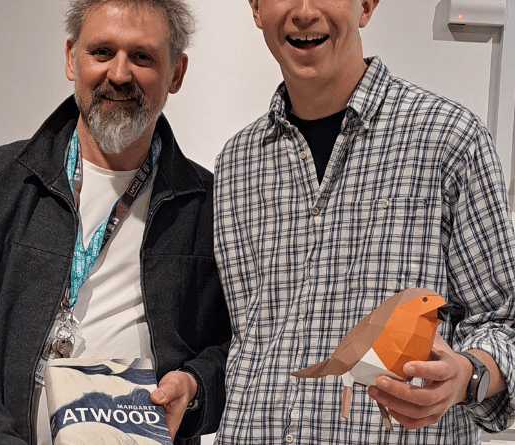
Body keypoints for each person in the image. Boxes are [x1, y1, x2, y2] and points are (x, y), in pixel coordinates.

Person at [0, 1, 231, 444]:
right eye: (102, 52)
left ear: (176, 73)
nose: (119, 74)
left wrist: (195, 389)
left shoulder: (213, 208)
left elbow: (245, 348)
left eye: (142, 57)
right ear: (70, 58)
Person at [213, 0, 515, 444]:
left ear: (367, 5)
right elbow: (241, 340)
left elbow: (505, 323)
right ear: (256, 8)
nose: (303, 11)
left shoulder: (449, 140)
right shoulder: (235, 163)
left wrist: (466, 376)